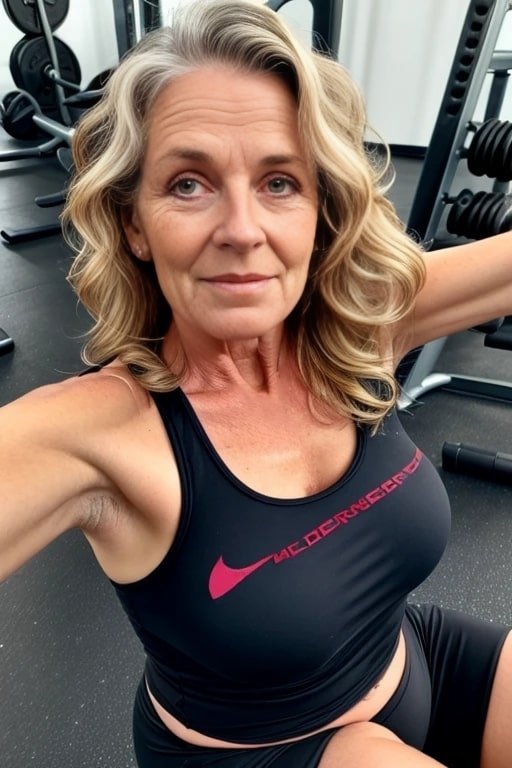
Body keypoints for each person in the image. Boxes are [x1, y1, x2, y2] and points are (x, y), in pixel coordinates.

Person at [1, 0, 512, 765]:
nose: (242, 230)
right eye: (188, 184)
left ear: (319, 208)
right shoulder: (101, 433)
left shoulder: (358, 330)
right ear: (134, 223)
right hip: (265, 750)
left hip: (417, 657)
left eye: (279, 182)